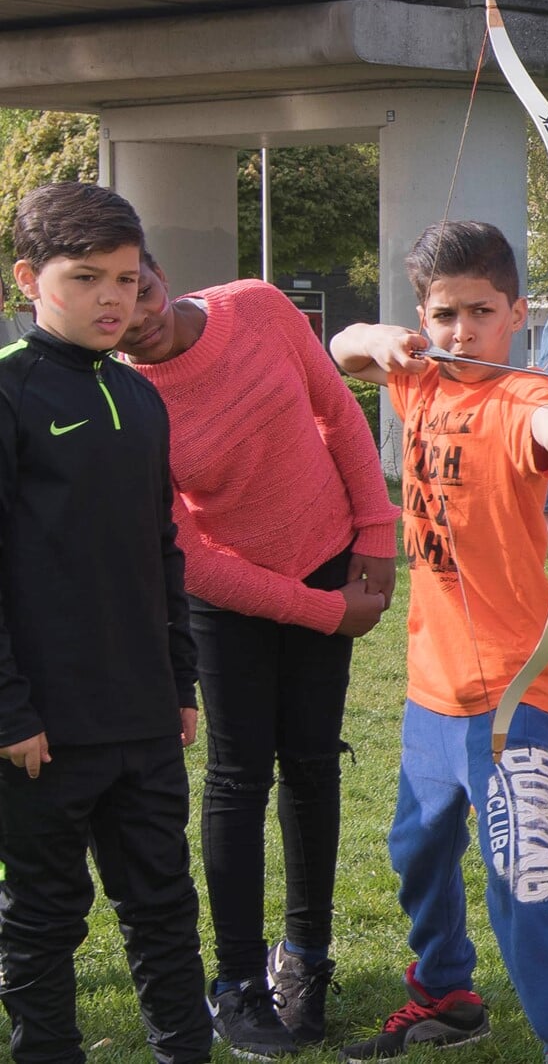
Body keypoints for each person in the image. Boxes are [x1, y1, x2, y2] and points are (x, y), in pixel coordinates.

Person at [329, 221, 548, 1063]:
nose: (461, 332)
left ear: (521, 313)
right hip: (432, 679)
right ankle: (447, 993)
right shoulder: (417, 377)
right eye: (443, 313)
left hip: (514, 689)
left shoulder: (521, 396)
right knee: (417, 852)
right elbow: (344, 346)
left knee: (521, 873)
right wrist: (380, 338)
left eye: (481, 313)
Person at [118, 256, 398, 1052]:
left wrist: (375, 531)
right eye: (107, 294)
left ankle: (304, 958)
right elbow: (192, 558)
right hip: (226, 597)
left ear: (160, 274)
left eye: (138, 286)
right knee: (239, 777)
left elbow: (337, 412)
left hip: (327, 548)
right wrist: (326, 615)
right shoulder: (129, 395)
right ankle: (238, 982)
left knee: (311, 764)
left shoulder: (259, 308)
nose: (132, 311)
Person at [1, 182, 211, 1064]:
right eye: (86, 278)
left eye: (127, 279)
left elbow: (163, 547)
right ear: (28, 279)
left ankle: (185, 1050)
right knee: (46, 917)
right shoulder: (9, 389)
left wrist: (181, 679)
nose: (113, 299)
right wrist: (11, 712)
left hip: (143, 715)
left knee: (164, 902)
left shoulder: (143, 397)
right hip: (43, 725)